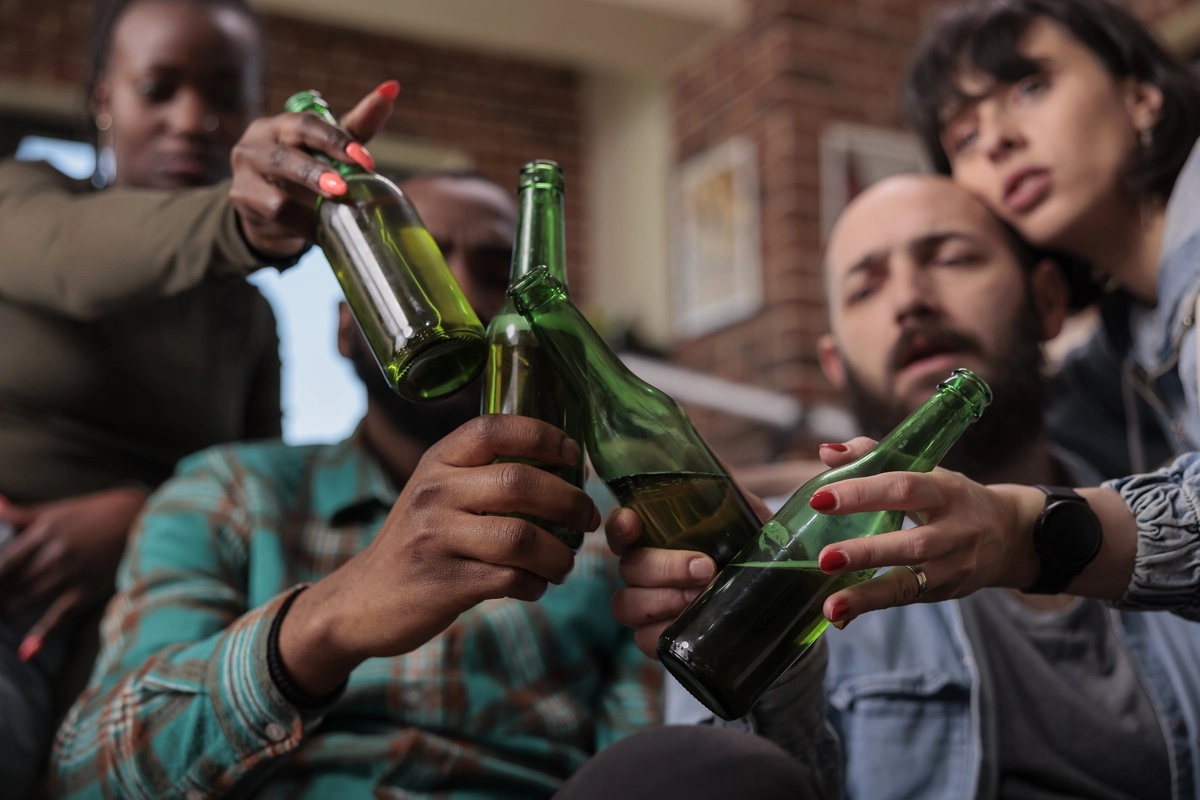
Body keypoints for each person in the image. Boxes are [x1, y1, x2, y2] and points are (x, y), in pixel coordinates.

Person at [48, 170, 662, 799]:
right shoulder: (229, 493)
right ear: (346, 328)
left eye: (497, 273)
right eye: (417, 263)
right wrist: (326, 621)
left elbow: (650, 771)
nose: (462, 298)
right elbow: (90, 774)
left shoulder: (610, 530)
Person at [609, 174, 1200, 799]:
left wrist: (1037, 535)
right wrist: (774, 668)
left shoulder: (1169, 508)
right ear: (834, 364)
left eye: (951, 258)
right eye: (866, 286)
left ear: (1049, 301)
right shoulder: (779, 550)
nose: (910, 300)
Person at [0, 0, 398, 793]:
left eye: (223, 94)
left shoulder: (246, 321)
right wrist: (244, 224)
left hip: (146, 613)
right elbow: (75, 266)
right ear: (102, 99)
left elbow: (257, 494)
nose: (193, 120)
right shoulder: (21, 198)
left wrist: (138, 518)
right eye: (158, 88)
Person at [789, 0, 1200, 629]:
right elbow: (1001, 439)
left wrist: (1025, 534)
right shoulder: (1124, 346)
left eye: (1030, 88)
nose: (998, 141)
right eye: (965, 138)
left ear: (1142, 94)